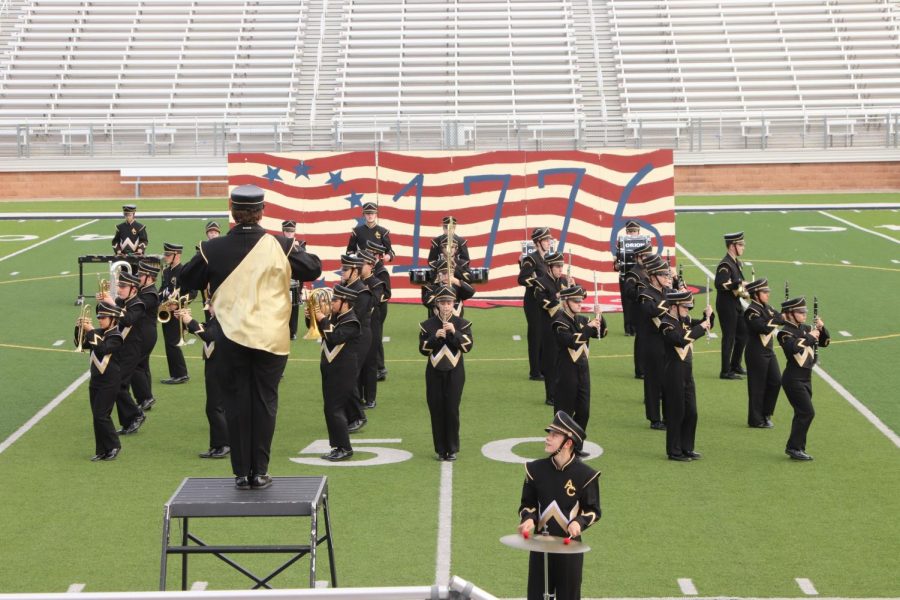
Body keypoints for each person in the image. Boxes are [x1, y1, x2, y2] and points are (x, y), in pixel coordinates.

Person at [179, 184, 322, 489]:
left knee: (235, 402)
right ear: (262, 212)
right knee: (265, 401)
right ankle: (261, 471)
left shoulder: (211, 249)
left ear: (232, 211)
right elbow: (313, 268)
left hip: (229, 338)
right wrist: (291, 248)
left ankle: (242, 473)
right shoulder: (280, 245)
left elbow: (185, 278)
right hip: (271, 337)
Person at [517, 411, 601, 600]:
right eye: (549, 434)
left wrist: (579, 522)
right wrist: (529, 519)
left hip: (569, 549)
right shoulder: (535, 469)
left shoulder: (585, 475)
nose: (547, 438)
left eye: (554, 435)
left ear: (568, 443)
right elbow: (527, 504)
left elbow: (593, 510)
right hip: (540, 548)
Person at [419, 285, 473, 461]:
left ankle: (452, 448)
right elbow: (423, 349)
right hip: (434, 371)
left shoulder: (462, 324)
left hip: (455, 372)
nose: (446, 306)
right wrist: (435, 337)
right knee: (436, 408)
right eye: (442, 303)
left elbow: (468, 346)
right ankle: (440, 449)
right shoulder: (428, 325)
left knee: (451, 408)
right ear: (437, 305)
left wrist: (453, 333)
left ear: (453, 304)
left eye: (449, 302)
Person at [658, 290, 713, 461]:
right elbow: (680, 340)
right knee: (677, 412)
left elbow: (704, 325)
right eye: (685, 307)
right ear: (674, 306)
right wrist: (702, 327)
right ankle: (674, 451)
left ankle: (687, 447)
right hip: (673, 372)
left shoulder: (686, 320)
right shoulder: (666, 324)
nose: (688, 310)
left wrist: (709, 316)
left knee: (692, 412)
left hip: (687, 373)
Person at [777, 297, 830, 461]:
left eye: (805, 311)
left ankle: (798, 447)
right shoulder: (784, 332)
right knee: (807, 412)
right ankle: (793, 448)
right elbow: (792, 347)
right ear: (791, 314)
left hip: (806, 378)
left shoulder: (807, 328)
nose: (804, 314)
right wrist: (810, 337)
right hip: (793, 379)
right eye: (801, 312)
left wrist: (822, 328)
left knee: (802, 413)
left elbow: (825, 342)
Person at [552, 285, 607, 441]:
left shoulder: (582, 320)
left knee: (584, 412)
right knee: (564, 412)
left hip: (583, 371)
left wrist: (599, 317)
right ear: (565, 302)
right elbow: (572, 341)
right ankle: (559, 446)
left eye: (580, 301)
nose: (579, 304)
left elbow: (601, 333)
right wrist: (589, 328)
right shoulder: (559, 322)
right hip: (566, 373)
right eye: (575, 301)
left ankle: (575, 445)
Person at [178, 303, 230, 459]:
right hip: (216, 366)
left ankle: (223, 444)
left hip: (219, 367)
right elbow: (205, 328)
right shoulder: (217, 318)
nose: (208, 308)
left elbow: (209, 336)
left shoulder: (223, 319)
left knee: (214, 408)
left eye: (211, 305)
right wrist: (187, 320)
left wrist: (190, 322)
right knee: (215, 408)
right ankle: (217, 445)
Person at [75, 301, 126, 461]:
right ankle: (102, 449)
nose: (100, 319)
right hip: (96, 380)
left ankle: (114, 446)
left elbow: (103, 349)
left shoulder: (116, 336)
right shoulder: (97, 332)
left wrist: (90, 331)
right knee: (97, 416)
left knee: (101, 415)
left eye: (103, 317)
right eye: (99, 317)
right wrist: (79, 328)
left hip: (110, 381)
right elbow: (80, 344)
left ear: (113, 319)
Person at [97, 271, 146, 435]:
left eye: (123, 286)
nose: (119, 289)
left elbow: (128, 320)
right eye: (119, 285)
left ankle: (136, 415)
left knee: (118, 385)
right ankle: (128, 421)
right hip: (119, 349)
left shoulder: (138, 304)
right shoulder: (119, 301)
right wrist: (103, 304)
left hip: (132, 350)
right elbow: (110, 318)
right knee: (119, 385)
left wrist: (112, 303)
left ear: (133, 289)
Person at [316, 284, 361, 461]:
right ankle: (337, 446)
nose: (331, 303)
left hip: (343, 371)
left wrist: (323, 320)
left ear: (345, 303)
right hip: (330, 369)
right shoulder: (336, 317)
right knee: (330, 409)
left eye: (335, 300)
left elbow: (335, 337)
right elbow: (323, 332)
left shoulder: (352, 322)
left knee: (335, 409)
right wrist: (312, 318)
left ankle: (345, 448)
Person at [743, 278, 784, 428]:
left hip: (768, 351)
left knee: (776, 381)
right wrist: (775, 319)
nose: (768, 294)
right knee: (757, 386)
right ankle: (755, 419)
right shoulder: (751, 311)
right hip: (756, 352)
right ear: (755, 294)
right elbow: (762, 327)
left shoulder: (767, 308)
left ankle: (766, 413)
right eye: (764, 292)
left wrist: (775, 318)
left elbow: (781, 318)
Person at [340, 253, 374, 432]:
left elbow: (356, 318)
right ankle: (349, 414)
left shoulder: (362, 291)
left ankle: (358, 416)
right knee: (346, 374)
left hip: (359, 337)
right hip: (349, 335)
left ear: (355, 271)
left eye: (346, 269)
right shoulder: (344, 286)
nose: (342, 272)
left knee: (350, 375)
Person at [637, 255, 671, 430]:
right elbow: (652, 312)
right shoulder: (645, 294)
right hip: (652, 343)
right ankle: (654, 418)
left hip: (666, 342)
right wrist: (671, 300)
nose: (667, 278)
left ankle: (667, 416)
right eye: (663, 275)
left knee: (667, 381)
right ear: (653, 276)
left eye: (667, 274)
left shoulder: (666, 292)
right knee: (653, 382)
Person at [518, 227, 554, 381]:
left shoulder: (546, 258)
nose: (549, 242)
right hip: (532, 302)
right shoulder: (531, 259)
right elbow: (521, 279)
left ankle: (543, 368)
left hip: (543, 302)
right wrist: (537, 281)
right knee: (535, 336)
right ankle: (535, 371)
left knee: (545, 335)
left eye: (549, 240)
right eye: (546, 240)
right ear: (538, 242)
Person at [532, 251, 566, 406]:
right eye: (557, 266)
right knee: (551, 362)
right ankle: (550, 395)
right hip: (548, 326)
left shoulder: (563, 280)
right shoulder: (540, 283)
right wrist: (558, 296)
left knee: (562, 361)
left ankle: (561, 392)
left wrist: (573, 287)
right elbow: (543, 303)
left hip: (564, 326)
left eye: (561, 266)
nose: (560, 269)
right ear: (549, 267)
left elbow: (579, 295)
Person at [715, 232, 749, 380]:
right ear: (732, 246)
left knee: (743, 334)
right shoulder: (725, 264)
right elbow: (720, 284)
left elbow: (738, 286)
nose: (743, 248)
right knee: (729, 337)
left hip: (735, 303)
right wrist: (739, 284)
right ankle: (725, 370)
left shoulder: (736, 263)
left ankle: (735, 364)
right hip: (726, 305)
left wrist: (745, 293)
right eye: (740, 245)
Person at [131, 258, 160, 412]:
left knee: (134, 365)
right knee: (142, 366)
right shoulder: (145, 291)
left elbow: (137, 307)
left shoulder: (150, 294)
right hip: (145, 333)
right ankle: (145, 399)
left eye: (141, 275)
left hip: (145, 334)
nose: (138, 277)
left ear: (149, 277)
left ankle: (146, 397)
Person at [159, 242, 191, 384]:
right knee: (169, 343)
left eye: (168, 255)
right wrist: (160, 300)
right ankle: (175, 374)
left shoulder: (184, 271)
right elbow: (163, 289)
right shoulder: (166, 271)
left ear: (176, 255)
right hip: (166, 311)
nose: (165, 257)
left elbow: (193, 292)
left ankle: (181, 374)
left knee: (173, 343)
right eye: (165, 254)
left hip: (177, 313)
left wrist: (177, 304)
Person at [623, 241, 654, 379]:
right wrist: (642, 292)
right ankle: (640, 370)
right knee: (641, 339)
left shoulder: (648, 271)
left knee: (648, 339)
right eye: (644, 256)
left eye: (648, 255)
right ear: (637, 257)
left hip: (649, 310)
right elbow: (629, 292)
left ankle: (647, 366)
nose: (647, 259)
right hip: (639, 311)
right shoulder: (633, 274)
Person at [360, 249, 386, 409]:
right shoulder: (355, 282)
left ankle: (370, 398)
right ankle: (359, 396)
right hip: (359, 326)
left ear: (370, 265)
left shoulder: (376, 283)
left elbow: (372, 303)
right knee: (358, 364)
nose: (358, 267)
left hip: (371, 325)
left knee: (370, 363)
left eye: (361, 264)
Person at [614, 220, 649, 336]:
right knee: (627, 302)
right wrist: (617, 265)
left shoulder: (645, 243)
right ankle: (629, 329)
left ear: (638, 231)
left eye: (634, 231)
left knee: (641, 301)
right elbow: (616, 263)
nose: (632, 233)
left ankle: (640, 326)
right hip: (626, 276)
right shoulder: (621, 243)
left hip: (641, 276)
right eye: (630, 231)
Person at [366, 240, 392, 381]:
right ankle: (378, 367)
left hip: (378, 308)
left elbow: (387, 293)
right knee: (373, 337)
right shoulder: (369, 268)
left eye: (371, 253)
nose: (368, 254)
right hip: (370, 307)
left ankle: (380, 368)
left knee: (376, 337)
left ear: (377, 255)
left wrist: (372, 298)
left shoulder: (381, 271)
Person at [282, 220, 304, 340]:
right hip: (282, 281)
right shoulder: (280, 244)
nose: (289, 234)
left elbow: (302, 264)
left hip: (295, 281)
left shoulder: (300, 244)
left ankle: (292, 332)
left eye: (291, 232)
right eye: (287, 232)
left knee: (294, 307)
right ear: (283, 232)